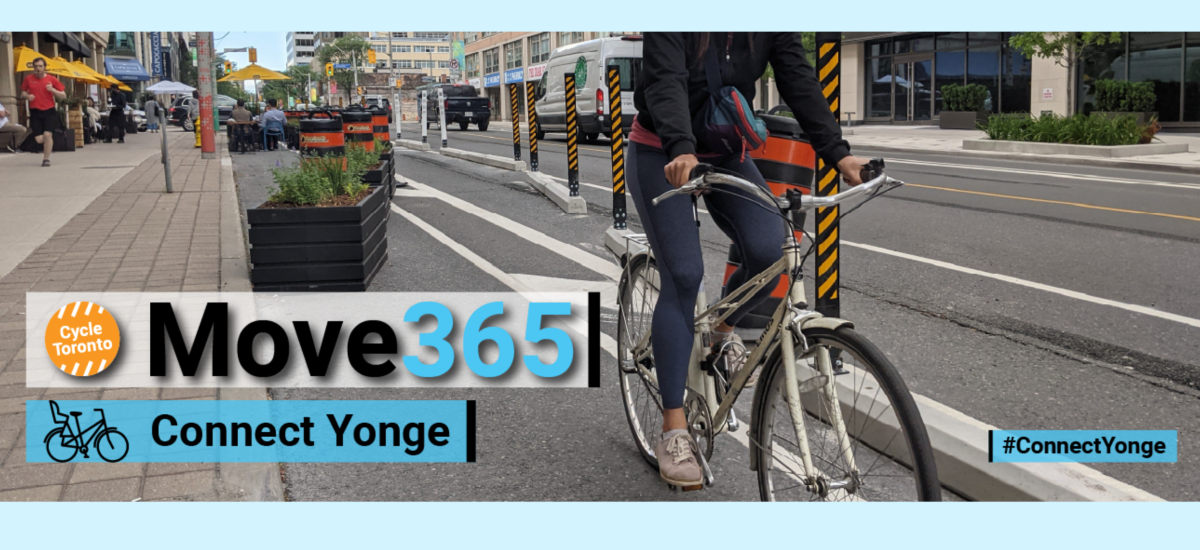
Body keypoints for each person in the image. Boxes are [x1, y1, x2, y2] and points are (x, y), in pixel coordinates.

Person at [627, 33, 871, 488]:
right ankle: (674, 428)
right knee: (684, 274)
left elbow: (798, 79)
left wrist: (839, 154)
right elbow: (665, 80)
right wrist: (680, 146)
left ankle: (721, 335)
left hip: (726, 149)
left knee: (768, 249)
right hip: (661, 150)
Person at [19, 57, 67, 166]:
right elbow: (22, 93)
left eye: (40, 66)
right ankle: (47, 144)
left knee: (47, 134)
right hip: (35, 111)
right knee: (39, 139)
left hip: (49, 111)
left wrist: (52, 90)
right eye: (36, 66)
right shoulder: (28, 79)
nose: (38, 68)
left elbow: (63, 95)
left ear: (45, 67)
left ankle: (46, 159)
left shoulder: (51, 79)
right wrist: (27, 96)